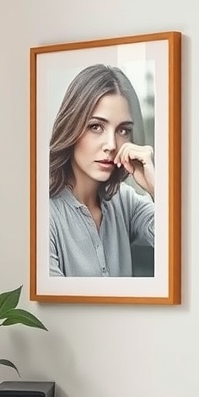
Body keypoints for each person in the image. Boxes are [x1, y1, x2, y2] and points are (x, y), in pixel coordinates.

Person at [48, 64, 155, 277]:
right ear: (71, 125)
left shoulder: (125, 202)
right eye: (96, 127)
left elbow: (186, 248)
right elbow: (52, 307)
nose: (111, 145)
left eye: (123, 130)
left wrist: (156, 187)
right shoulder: (45, 212)